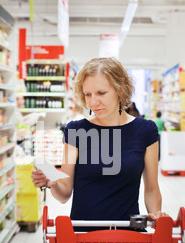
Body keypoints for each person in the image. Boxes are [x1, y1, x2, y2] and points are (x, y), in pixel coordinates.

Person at [31, 57, 166, 228]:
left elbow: (152, 189)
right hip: (83, 238)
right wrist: (53, 183)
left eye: (101, 93)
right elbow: (64, 193)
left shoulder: (146, 130)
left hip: (129, 238)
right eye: (88, 94)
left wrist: (155, 215)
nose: (93, 102)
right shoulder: (76, 131)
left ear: (120, 90)